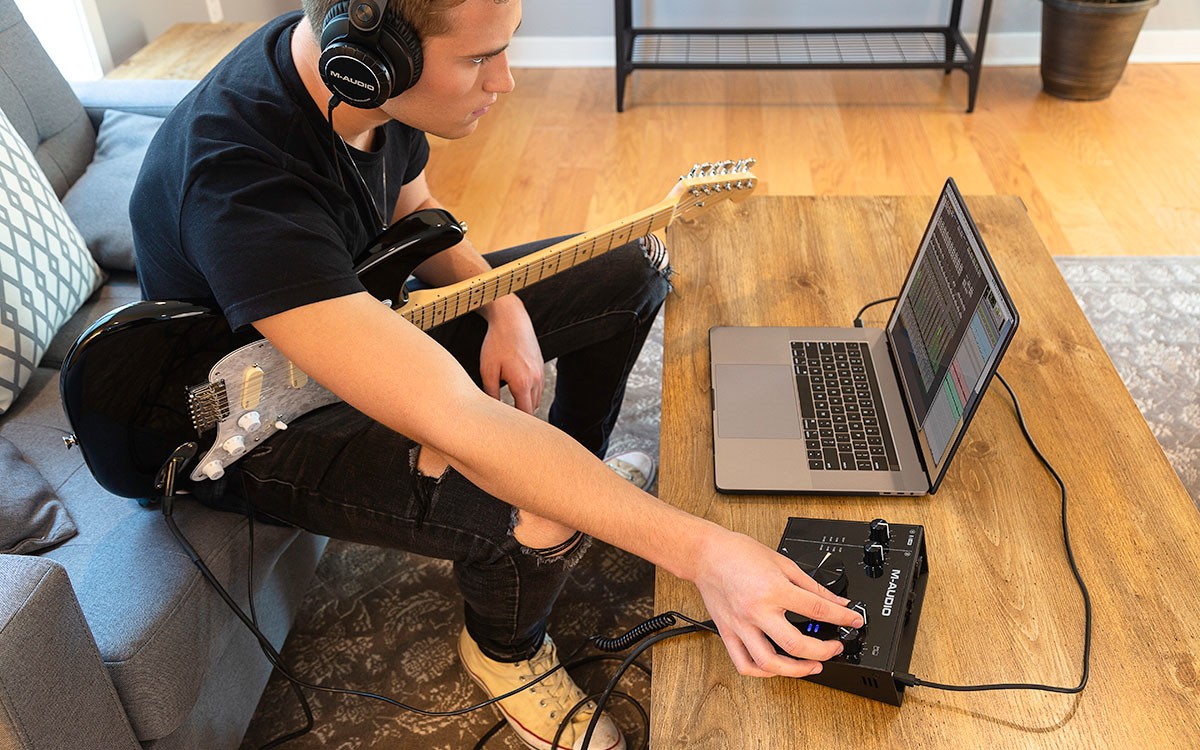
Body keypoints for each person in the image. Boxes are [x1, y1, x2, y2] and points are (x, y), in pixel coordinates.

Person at [131, 1, 864, 748]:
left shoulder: (357, 81)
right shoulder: (241, 184)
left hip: (350, 324)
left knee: (630, 269)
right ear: (376, 59)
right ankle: (505, 651)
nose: (505, 81)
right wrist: (705, 553)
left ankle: (586, 477)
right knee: (531, 501)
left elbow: (412, 205)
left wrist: (503, 305)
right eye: (480, 59)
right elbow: (459, 419)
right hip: (245, 422)